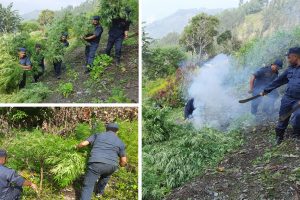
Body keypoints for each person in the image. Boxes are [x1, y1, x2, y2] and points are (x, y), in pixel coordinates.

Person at [77, 123, 127, 200]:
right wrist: (122, 165)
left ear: (106, 129)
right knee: (105, 177)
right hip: (112, 165)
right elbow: (123, 161)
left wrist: (76, 147)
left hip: (96, 163)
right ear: (117, 132)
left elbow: (83, 144)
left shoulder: (97, 135)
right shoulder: (120, 142)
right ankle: (99, 193)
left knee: (88, 186)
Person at [262, 47, 300, 145]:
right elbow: (279, 81)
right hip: (288, 98)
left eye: (289, 57)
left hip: (298, 100)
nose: (288, 59)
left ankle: (297, 134)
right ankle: (279, 137)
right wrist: (267, 90)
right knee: (282, 118)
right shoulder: (290, 69)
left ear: (296, 56)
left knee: (297, 118)